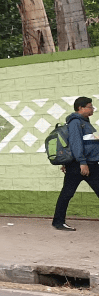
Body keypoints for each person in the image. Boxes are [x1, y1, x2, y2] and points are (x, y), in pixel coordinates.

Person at [52, 97, 99, 231]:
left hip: (90, 163)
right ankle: (58, 222)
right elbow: (75, 143)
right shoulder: (75, 122)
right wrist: (82, 162)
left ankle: (57, 222)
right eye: (90, 106)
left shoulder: (85, 123)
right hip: (81, 165)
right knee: (67, 194)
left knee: (67, 193)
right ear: (80, 108)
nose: (92, 109)